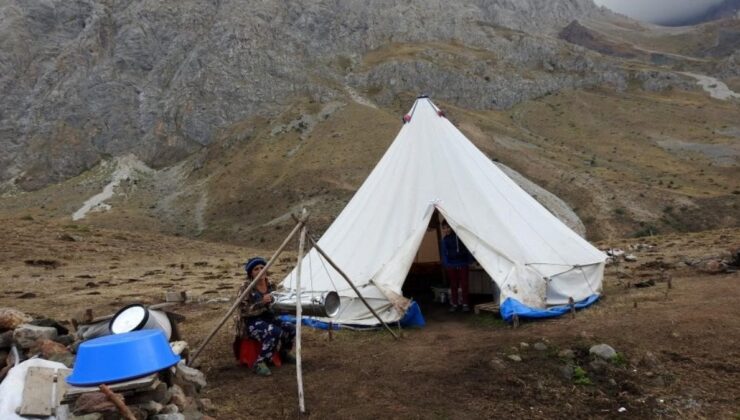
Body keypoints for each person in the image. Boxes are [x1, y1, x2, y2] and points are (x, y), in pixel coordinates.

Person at [234, 257, 296, 376]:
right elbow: (242, 311)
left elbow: (277, 302)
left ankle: (284, 353)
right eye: (256, 269)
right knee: (274, 331)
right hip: (251, 322)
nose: (260, 271)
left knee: (290, 328)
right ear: (251, 273)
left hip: (269, 318)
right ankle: (260, 362)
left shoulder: (271, 284)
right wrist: (261, 303)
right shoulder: (246, 287)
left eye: (262, 268)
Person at [440, 220, 472, 312]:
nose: (446, 230)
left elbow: (467, 248)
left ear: (451, 227)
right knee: (454, 285)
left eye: (448, 227)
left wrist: (469, 261)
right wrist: (447, 265)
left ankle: (465, 303)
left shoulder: (460, 237)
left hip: (463, 263)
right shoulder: (445, 240)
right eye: (444, 228)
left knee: (464, 284)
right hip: (452, 265)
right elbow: (444, 254)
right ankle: (454, 303)